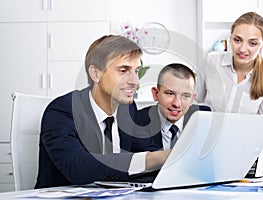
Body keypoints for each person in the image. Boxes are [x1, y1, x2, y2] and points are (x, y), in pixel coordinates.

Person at [35, 35, 170, 189]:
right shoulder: (61, 111)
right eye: (123, 70)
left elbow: (148, 151)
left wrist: (174, 157)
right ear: (95, 74)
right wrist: (153, 159)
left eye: (136, 71)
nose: (135, 82)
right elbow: (79, 168)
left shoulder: (127, 109)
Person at [196, 12, 263, 115]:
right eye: (237, 40)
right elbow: (195, 100)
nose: (242, 49)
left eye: (252, 43)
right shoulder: (211, 61)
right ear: (230, 38)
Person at [132, 63, 211, 152]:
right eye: (170, 93)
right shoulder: (137, 123)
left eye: (185, 96)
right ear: (155, 94)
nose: (177, 104)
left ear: (192, 99)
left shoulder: (205, 119)